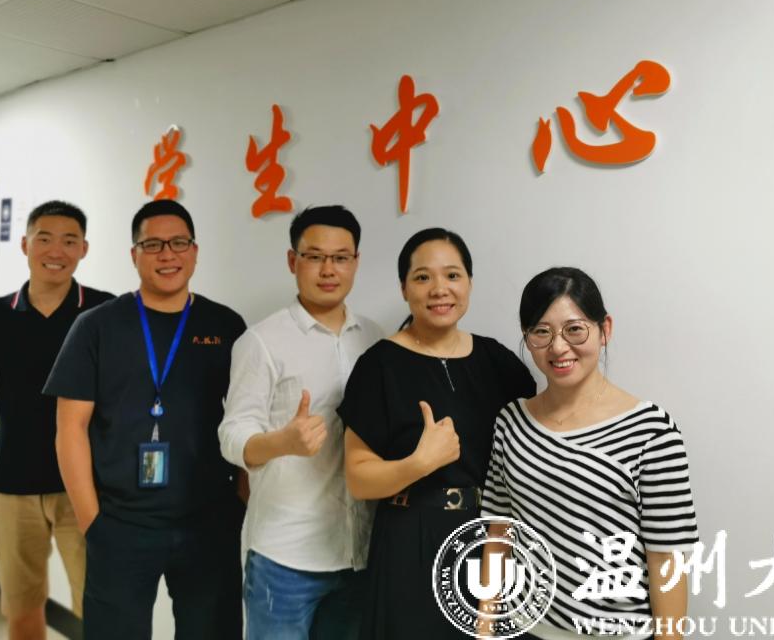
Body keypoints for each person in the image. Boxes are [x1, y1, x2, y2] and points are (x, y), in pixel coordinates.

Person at [44, 200, 246, 640]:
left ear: (195, 251)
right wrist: (92, 522)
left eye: (179, 243)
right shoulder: (96, 326)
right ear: (133, 254)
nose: (167, 254)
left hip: (208, 522)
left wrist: (241, 503)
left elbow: (246, 419)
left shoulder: (226, 325)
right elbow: (70, 428)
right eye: (152, 244)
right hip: (120, 523)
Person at [338, 228, 536, 640]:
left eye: (452, 275)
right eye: (423, 277)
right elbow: (358, 478)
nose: (439, 289)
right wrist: (419, 463)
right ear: (404, 288)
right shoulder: (379, 365)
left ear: (469, 283)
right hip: (411, 539)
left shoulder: (498, 362)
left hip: (489, 538)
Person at [480, 267, 698, 639]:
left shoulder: (651, 431)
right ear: (527, 338)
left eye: (574, 329)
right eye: (541, 332)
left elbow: (666, 559)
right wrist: (485, 629)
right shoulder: (511, 422)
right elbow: (499, 533)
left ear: (604, 329)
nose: (558, 347)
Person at [0, 200, 113, 640]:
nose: (56, 250)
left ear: (84, 249)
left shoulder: (104, 313)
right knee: (22, 610)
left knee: (101, 611)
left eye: (69, 241)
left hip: (85, 486)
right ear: (25, 244)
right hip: (14, 486)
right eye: (44, 238)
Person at [219, 205, 384, 640]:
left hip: (357, 553)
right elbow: (232, 434)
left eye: (341, 257)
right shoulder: (261, 341)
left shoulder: (375, 338)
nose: (329, 269)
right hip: (285, 557)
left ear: (356, 262)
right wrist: (282, 442)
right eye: (314, 257)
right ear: (293, 261)